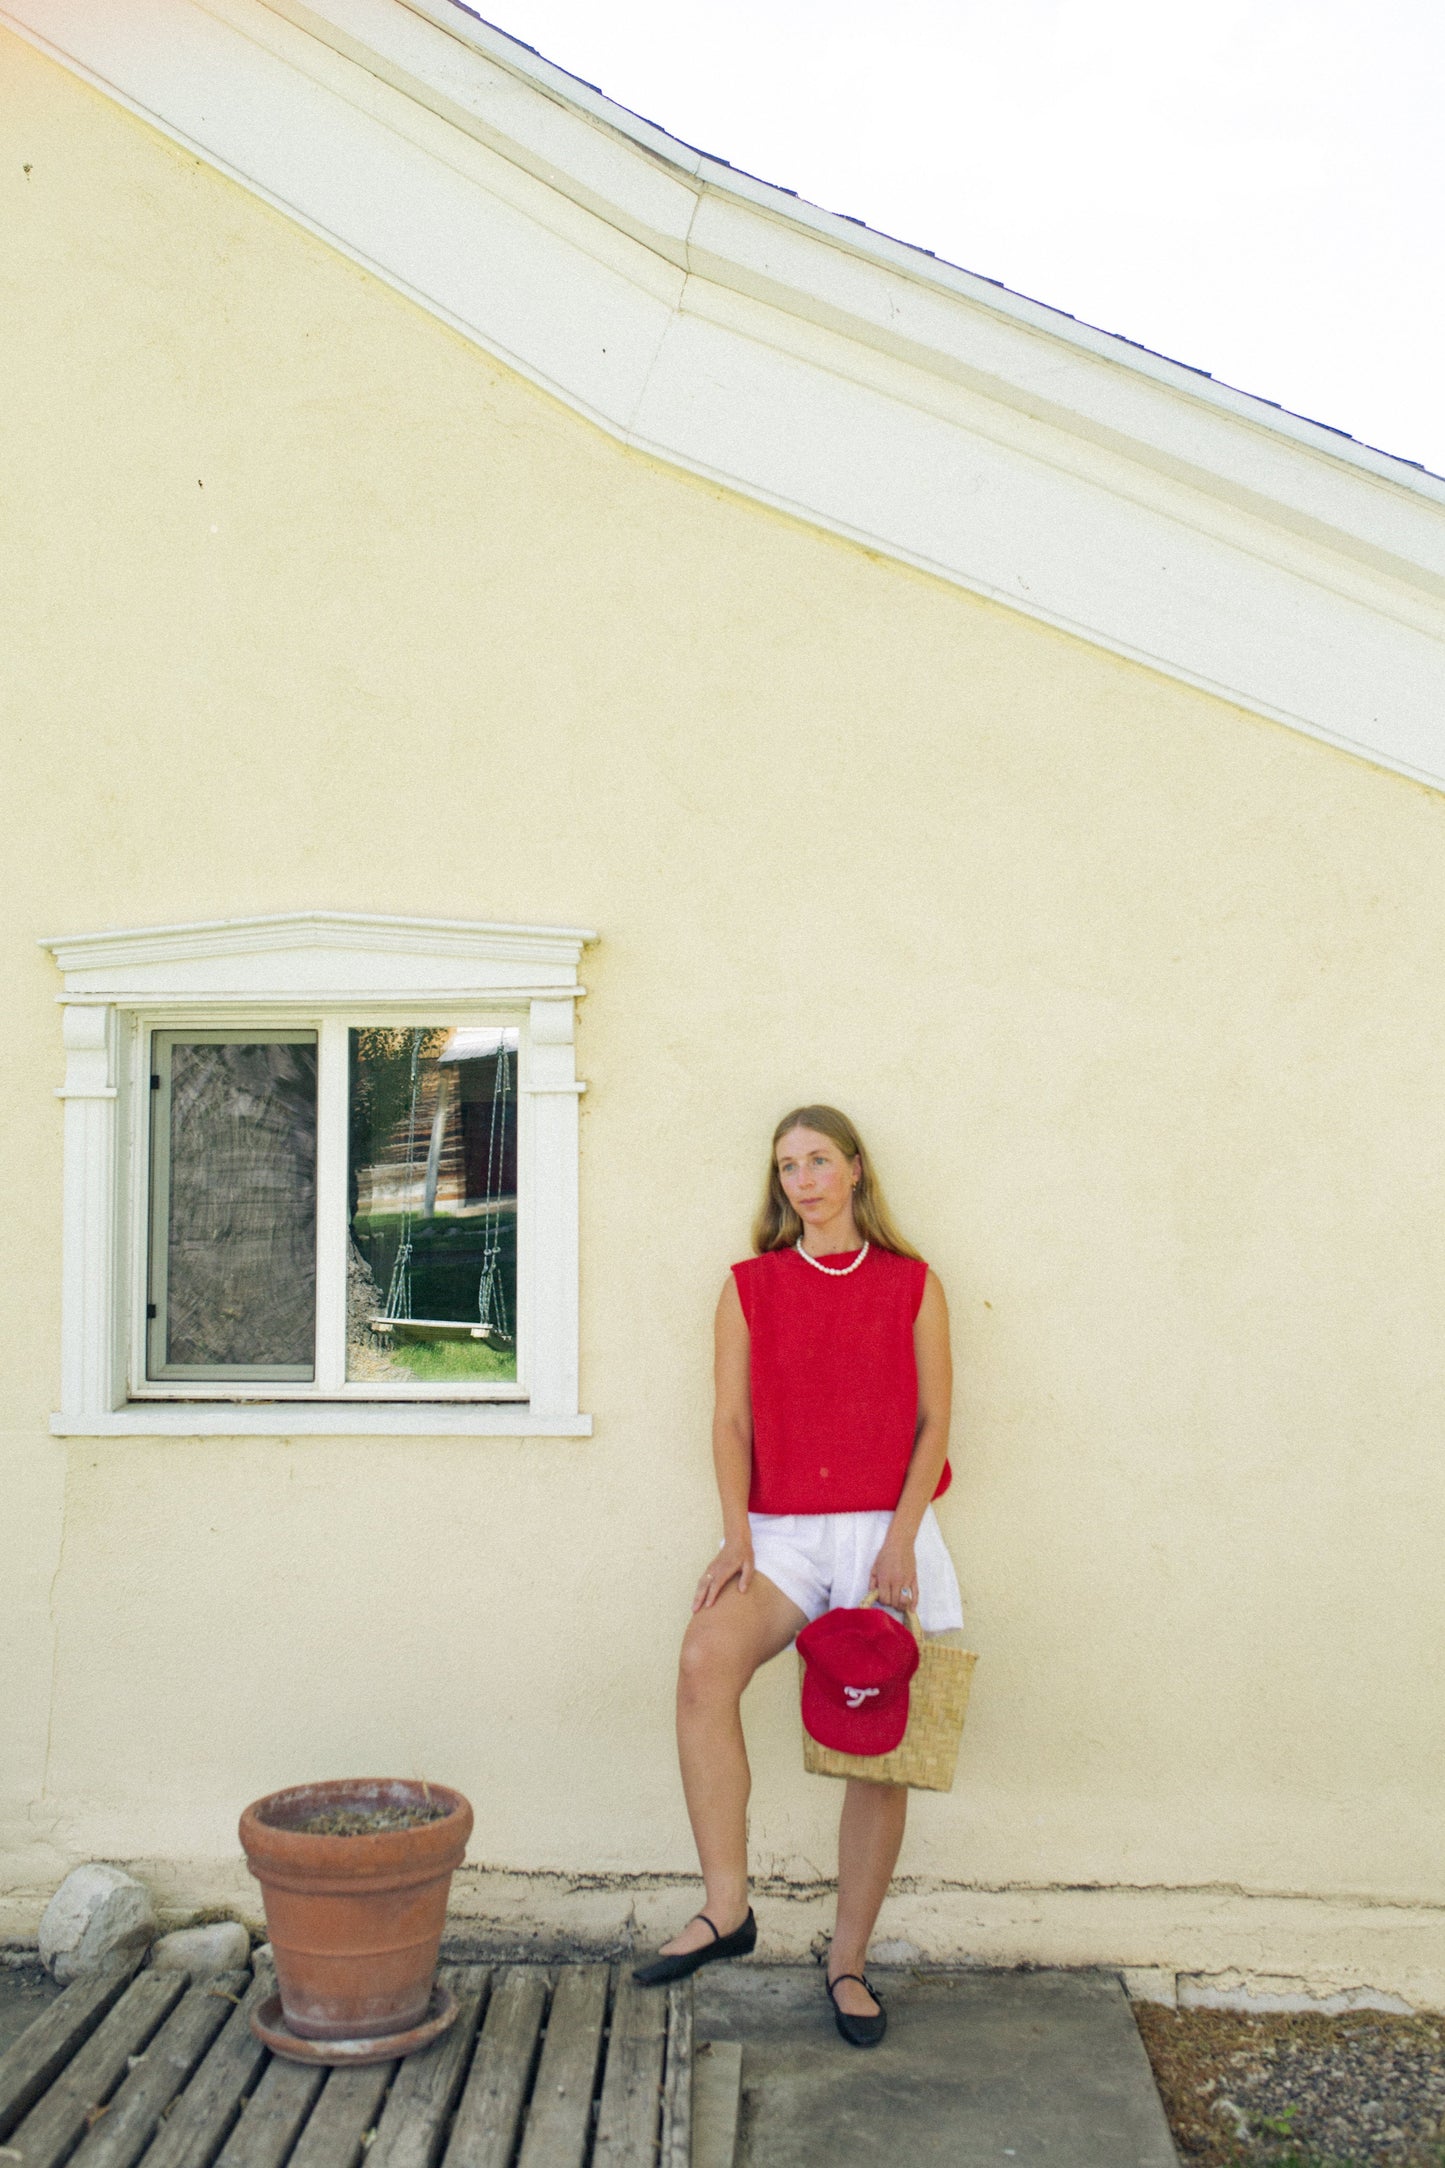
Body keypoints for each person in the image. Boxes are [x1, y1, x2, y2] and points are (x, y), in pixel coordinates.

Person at [633, 1104, 963, 2046]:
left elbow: (934, 1422)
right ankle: (727, 1910)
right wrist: (735, 1535)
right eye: (787, 1166)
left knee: (877, 1742)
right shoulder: (749, 1287)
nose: (804, 1179)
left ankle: (847, 1960)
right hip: (777, 1534)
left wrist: (899, 1539)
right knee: (705, 1665)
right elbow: (730, 1422)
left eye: (819, 1160)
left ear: (855, 1170)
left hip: (883, 1531)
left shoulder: (911, 1284)